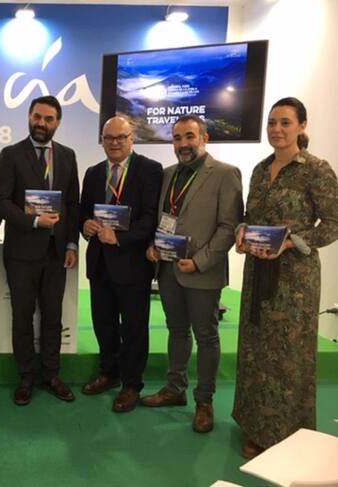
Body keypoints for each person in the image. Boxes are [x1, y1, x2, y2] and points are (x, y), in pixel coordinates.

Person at [233, 97, 338, 458]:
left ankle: (285, 433)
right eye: (272, 122)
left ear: (302, 126)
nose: (276, 129)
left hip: (295, 280)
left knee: (288, 353)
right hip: (258, 271)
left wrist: (293, 242)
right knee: (254, 347)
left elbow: (334, 223)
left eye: (285, 122)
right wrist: (242, 232)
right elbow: (249, 215)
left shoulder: (316, 170)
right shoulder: (261, 170)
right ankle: (254, 425)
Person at [142, 115, 243, 433]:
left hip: (202, 272)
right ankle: (175, 389)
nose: (183, 144)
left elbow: (228, 227)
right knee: (176, 331)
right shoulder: (168, 174)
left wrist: (199, 262)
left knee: (206, 336)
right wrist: (154, 246)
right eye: (177, 138)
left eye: (189, 136)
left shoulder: (225, 174)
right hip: (168, 269)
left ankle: (204, 401)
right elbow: (163, 219)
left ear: (204, 138)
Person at [0, 95, 79, 406]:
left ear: (58, 122)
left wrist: (71, 243)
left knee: (53, 316)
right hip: (21, 253)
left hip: (56, 252)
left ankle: (51, 374)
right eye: (37, 117)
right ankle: (26, 377)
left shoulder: (67, 156)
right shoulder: (11, 154)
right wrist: (33, 221)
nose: (42, 123)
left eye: (48, 119)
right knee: (23, 317)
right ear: (29, 117)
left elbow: (72, 204)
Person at [79, 116, 162, 412]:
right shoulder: (93, 173)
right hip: (100, 263)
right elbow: (82, 213)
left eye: (120, 137)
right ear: (102, 141)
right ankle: (109, 372)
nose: (114, 143)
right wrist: (85, 225)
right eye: (108, 138)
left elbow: (150, 218)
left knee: (134, 327)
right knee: (103, 324)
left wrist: (121, 237)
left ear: (131, 139)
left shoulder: (149, 170)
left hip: (133, 263)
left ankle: (131, 384)